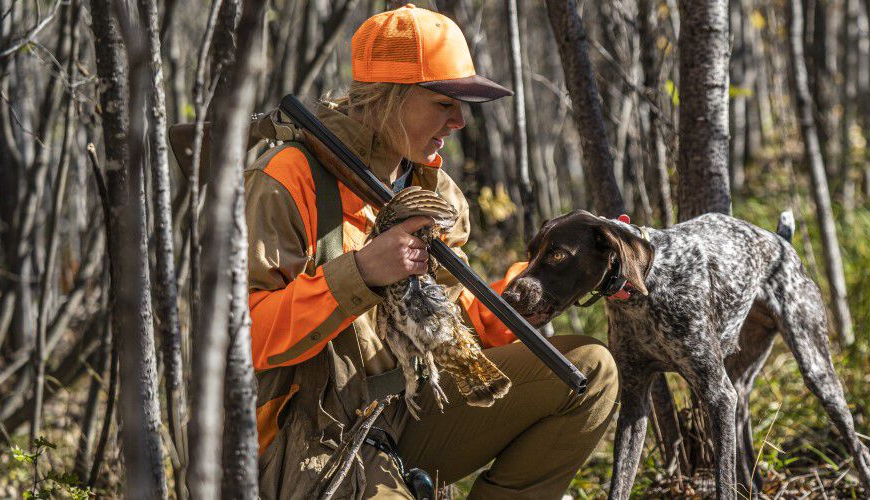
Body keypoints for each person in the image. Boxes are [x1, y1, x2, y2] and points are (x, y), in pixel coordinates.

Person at [244, 4, 619, 499]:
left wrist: (540, 286)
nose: (461, 120)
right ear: (389, 97)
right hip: (316, 438)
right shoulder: (285, 179)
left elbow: (457, 321)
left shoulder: (431, 188)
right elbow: (244, 342)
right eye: (445, 103)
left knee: (590, 372)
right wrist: (360, 273)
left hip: (416, 406)